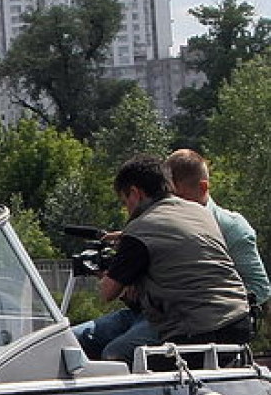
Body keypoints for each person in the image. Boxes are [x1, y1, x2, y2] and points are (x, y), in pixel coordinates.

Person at [73, 155, 252, 363]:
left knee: (114, 354)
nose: (126, 210)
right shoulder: (198, 211)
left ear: (135, 193)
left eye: (125, 202)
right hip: (238, 322)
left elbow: (107, 293)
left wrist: (103, 270)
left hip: (194, 330)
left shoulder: (140, 228)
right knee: (84, 335)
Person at [165, 149, 271, 324]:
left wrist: (214, 306)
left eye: (180, 196)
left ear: (203, 188)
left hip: (207, 324)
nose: (174, 204)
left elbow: (260, 288)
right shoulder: (164, 226)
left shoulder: (232, 227)